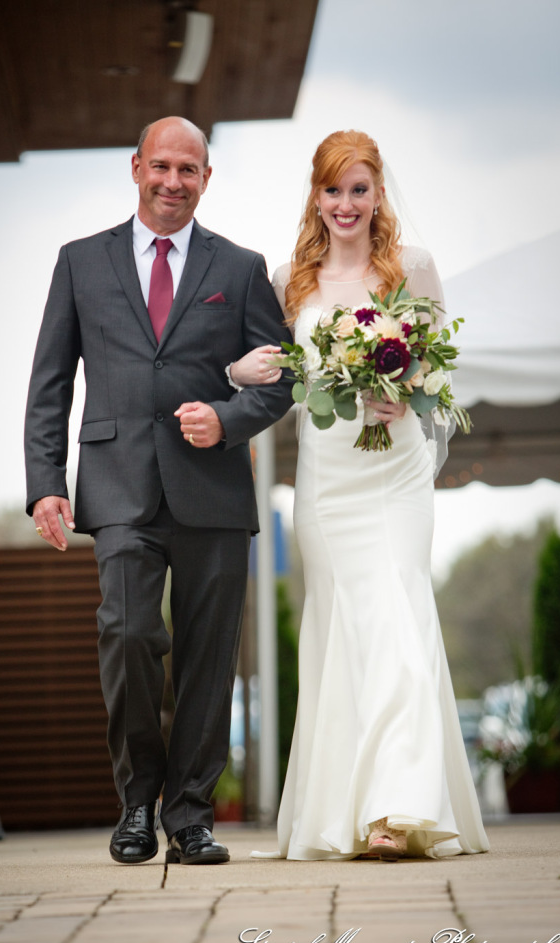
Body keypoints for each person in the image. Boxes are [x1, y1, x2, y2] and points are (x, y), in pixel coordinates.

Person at [24, 116, 293, 865]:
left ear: (206, 179)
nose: (173, 182)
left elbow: (282, 380)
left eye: (189, 170)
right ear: (136, 167)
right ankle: (136, 802)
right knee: (129, 634)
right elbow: (49, 383)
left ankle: (192, 816)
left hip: (211, 490)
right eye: (162, 167)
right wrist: (45, 484)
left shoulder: (239, 269)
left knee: (209, 657)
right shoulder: (79, 262)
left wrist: (229, 419)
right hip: (116, 488)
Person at [231, 130, 489, 860]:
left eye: (359, 188)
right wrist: (235, 375)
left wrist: (409, 394)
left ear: (378, 194)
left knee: (398, 619)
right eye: (333, 189)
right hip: (328, 480)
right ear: (315, 195)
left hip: (397, 473)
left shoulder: (412, 269)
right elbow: (279, 380)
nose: (346, 203)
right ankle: (346, 808)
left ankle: (396, 811)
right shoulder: (292, 281)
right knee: (343, 630)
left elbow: (441, 375)